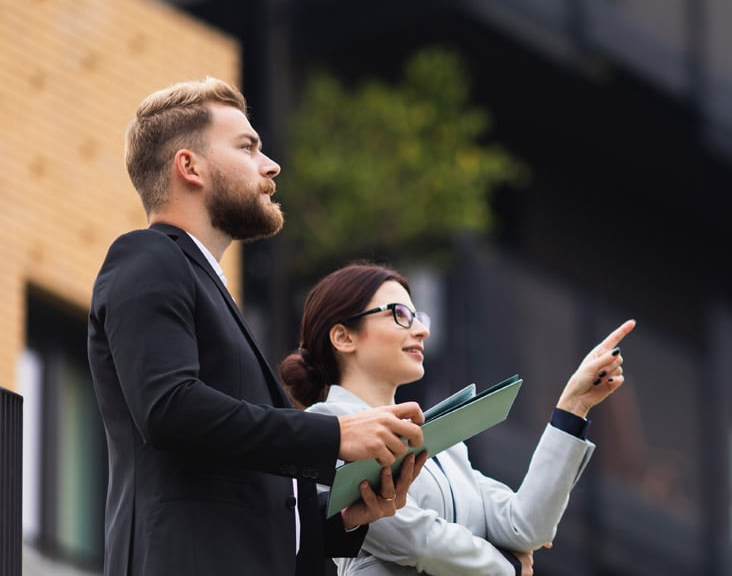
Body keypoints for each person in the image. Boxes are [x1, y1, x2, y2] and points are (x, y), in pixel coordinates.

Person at [87, 77, 431, 575]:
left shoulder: (209, 287)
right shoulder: (147, 256)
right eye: (247, 147)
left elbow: (248, 499)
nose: (270, 167)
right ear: (190, 166)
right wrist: (332, 434)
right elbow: (169, 408)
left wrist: (346, 517)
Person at [279, 263, 634, 576]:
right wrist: (504, 567)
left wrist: (573, 407)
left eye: (419, 317)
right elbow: (415, 540)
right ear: (343, 337)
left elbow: (525, 526)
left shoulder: (444, 445)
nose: (421, 330)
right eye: (400, 314)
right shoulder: (329, 427)